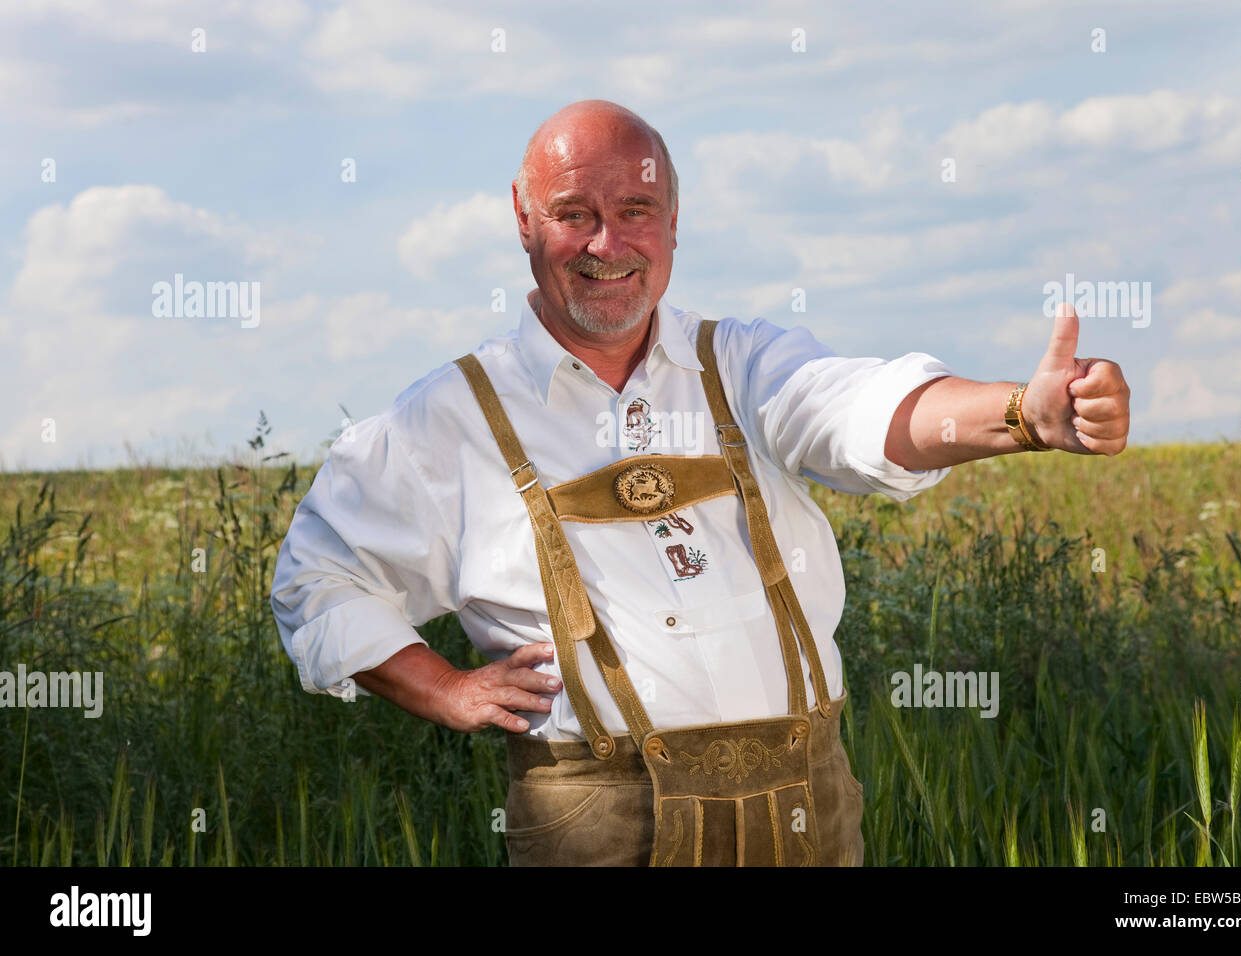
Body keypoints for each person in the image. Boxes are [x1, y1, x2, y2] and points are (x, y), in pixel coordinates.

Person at [269, 99, 1131, 867]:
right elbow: (316, 579)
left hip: (809, 811)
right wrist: (444, 687)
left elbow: (862, 410)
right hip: (597, 827)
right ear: (524, 222)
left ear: (674, 222)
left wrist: (1022, 415)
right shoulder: (449, 418)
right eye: (575, 215)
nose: (608, 244)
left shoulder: (744, 364)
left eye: (635, 210)